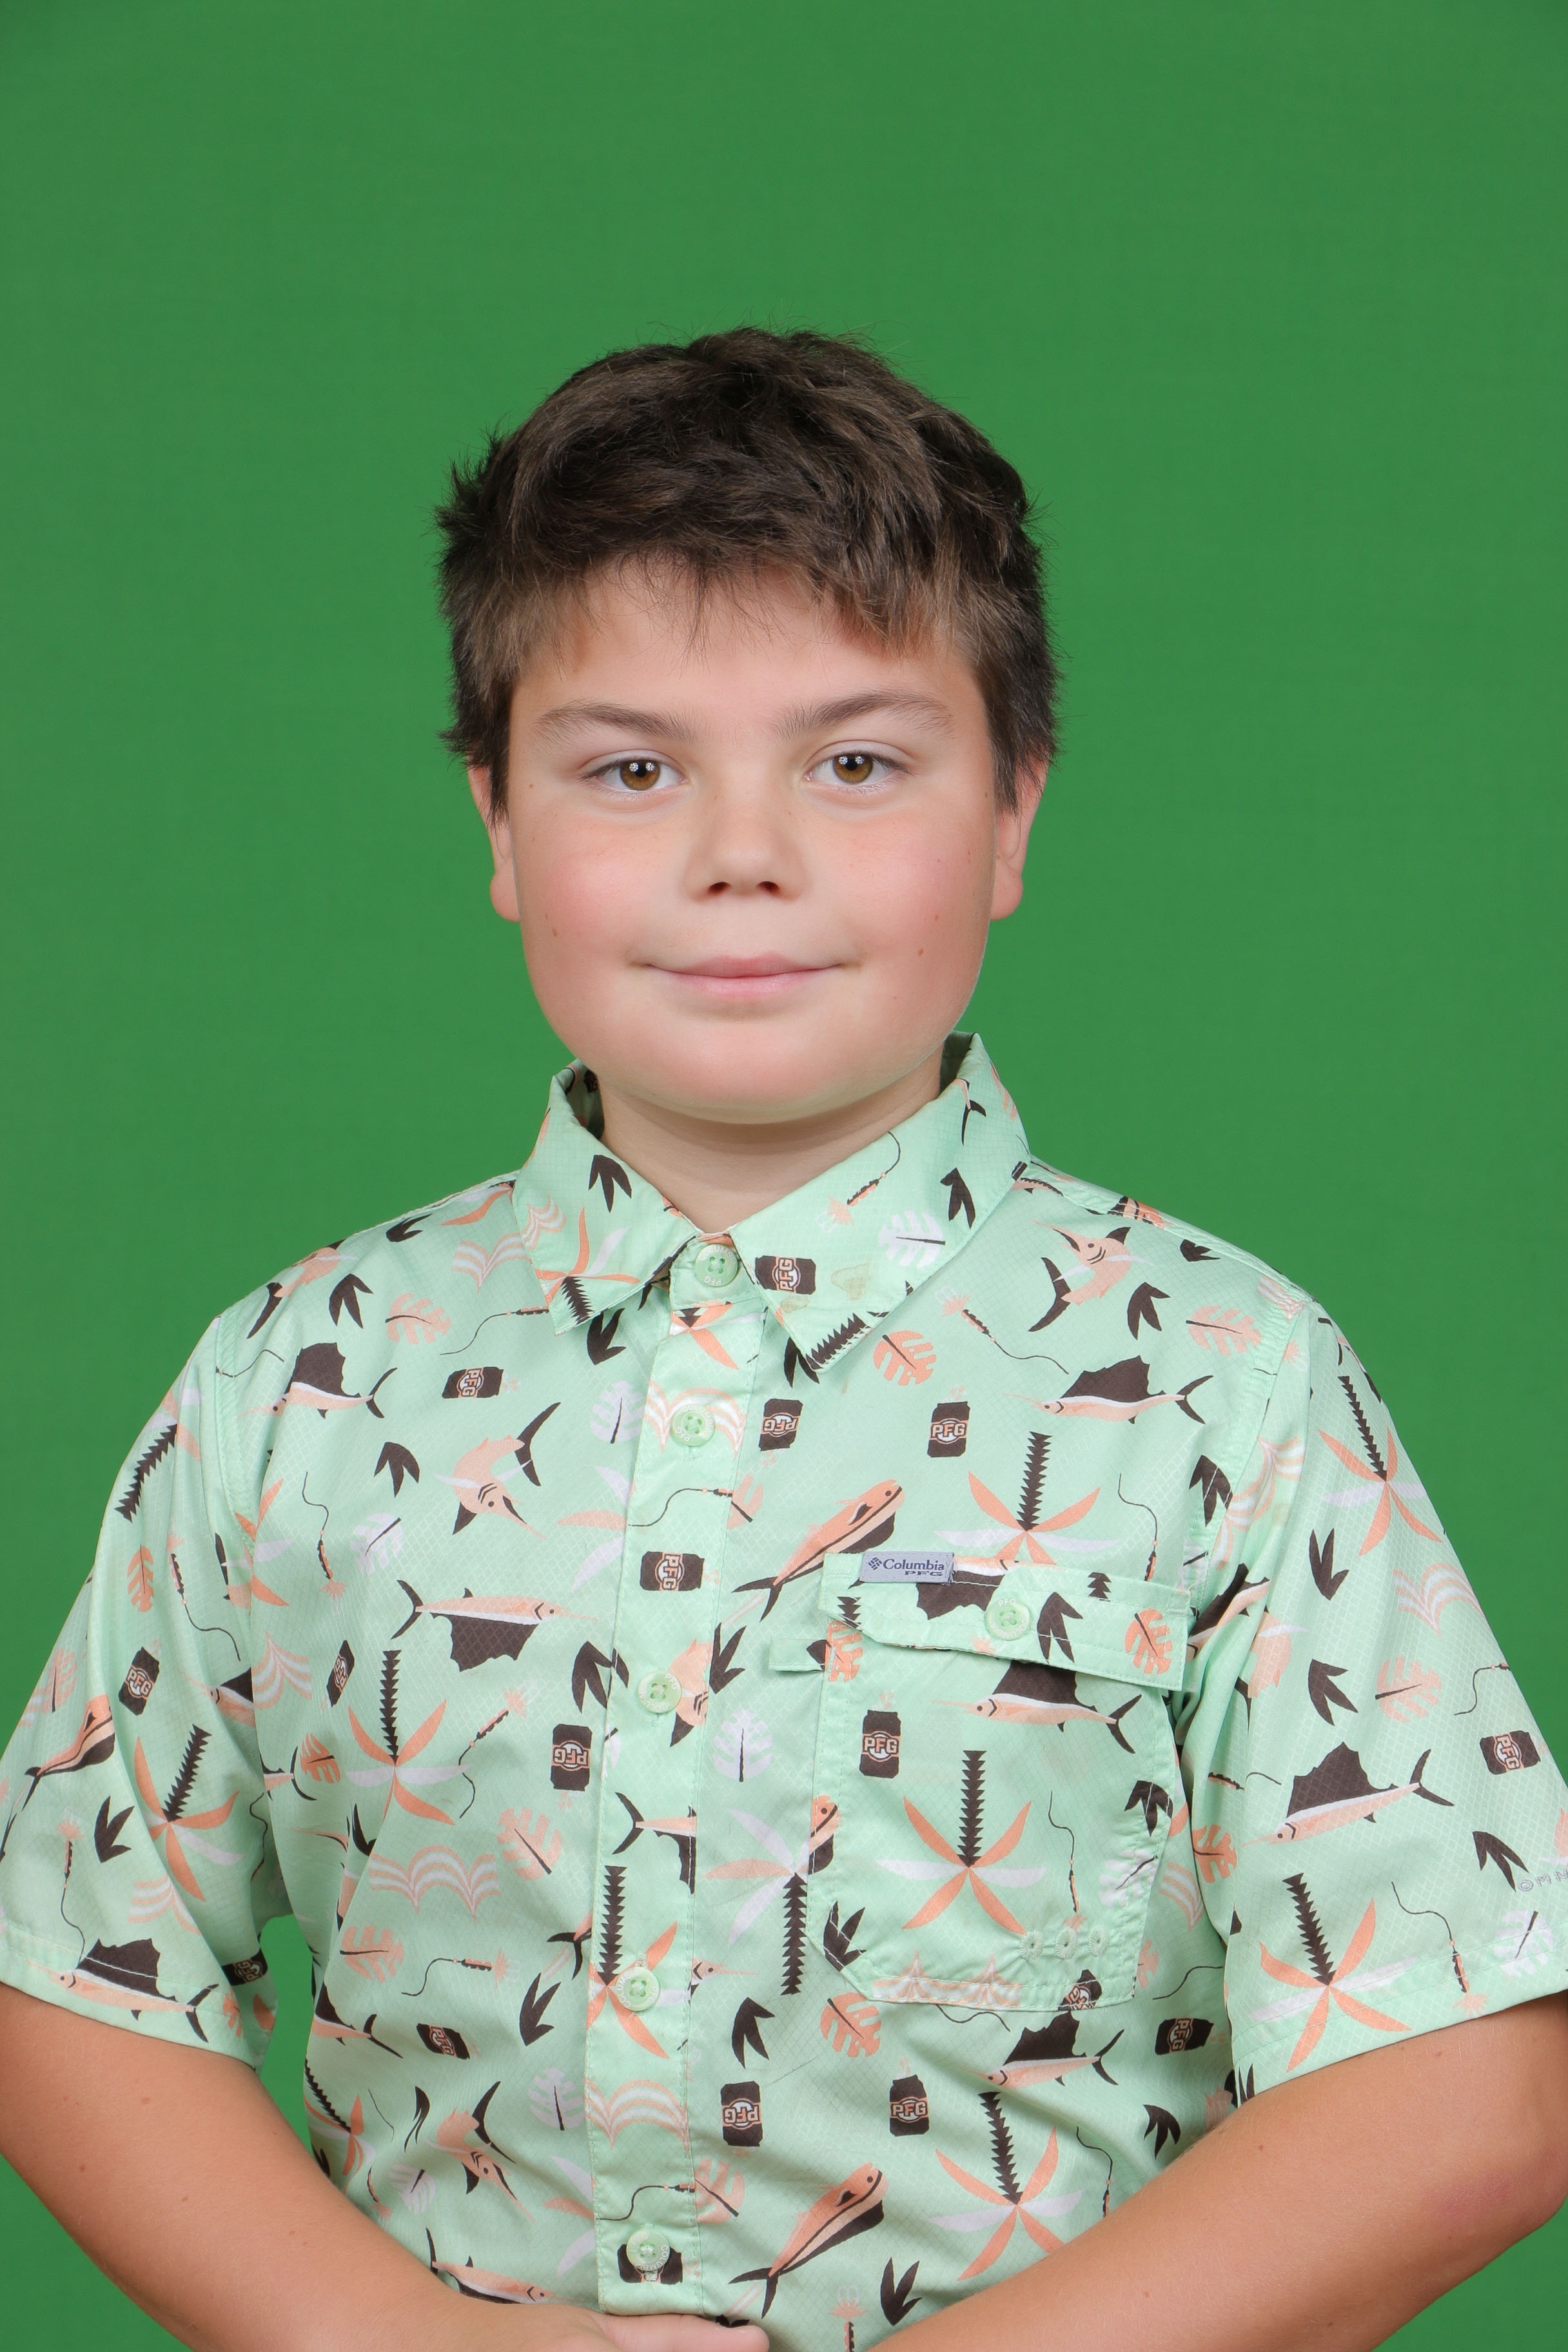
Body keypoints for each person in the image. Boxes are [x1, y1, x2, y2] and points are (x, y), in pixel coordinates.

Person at [1, 329, 1564, 2352]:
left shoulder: (1223, 1386)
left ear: (1013, 812)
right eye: (631, 769)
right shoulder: (297, 1384)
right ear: (497, 821)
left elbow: (1464, 2072)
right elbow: (75, 1970)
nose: (742, 851)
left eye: (856, 762)